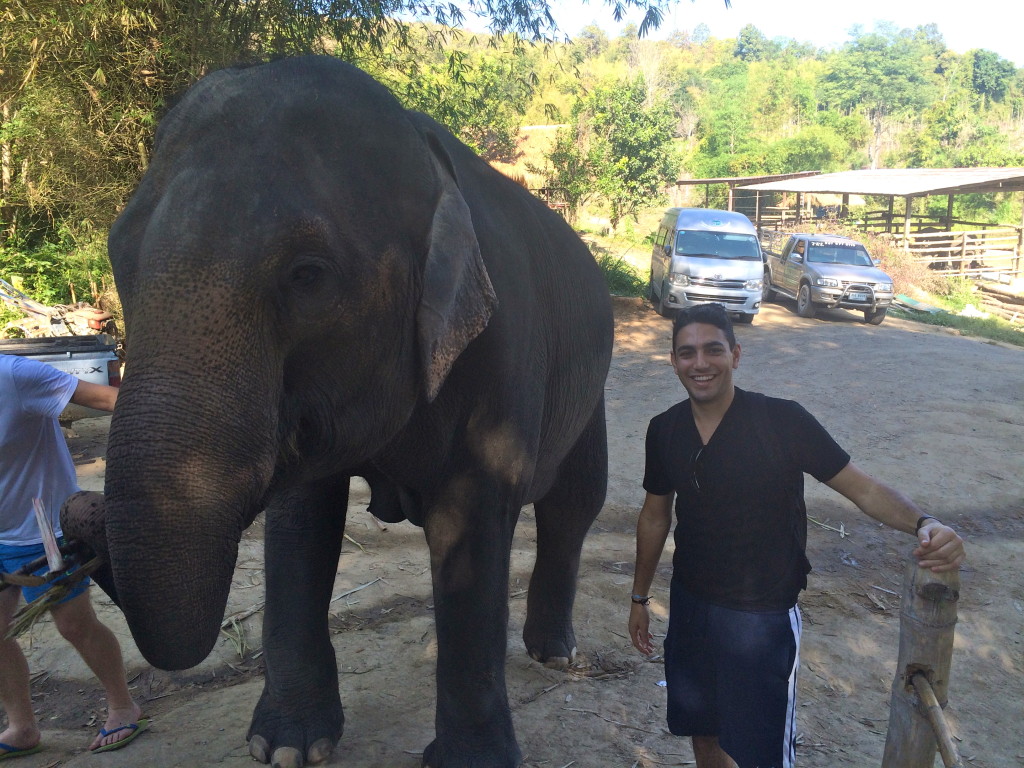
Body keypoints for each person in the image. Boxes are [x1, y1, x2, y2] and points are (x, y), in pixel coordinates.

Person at [627, 303, 965, 768]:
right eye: (687, 353)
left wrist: (925, 522)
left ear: (736, 355)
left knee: (761, 755)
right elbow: (654, 516)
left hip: (761, 619)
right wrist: (639, 598)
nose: (700, 363)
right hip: (690, 607)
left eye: (713, 350)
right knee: (704, 735)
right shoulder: (664, 430)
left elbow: (861, 487)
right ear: (673, 361)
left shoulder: (781, 422)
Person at [0, 354, 147, 758]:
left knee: (74, 626)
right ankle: (22, 727)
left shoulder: (14, 375)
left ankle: (122, 704)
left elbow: (108, 399)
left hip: (42, 528)